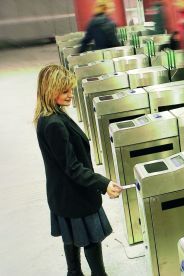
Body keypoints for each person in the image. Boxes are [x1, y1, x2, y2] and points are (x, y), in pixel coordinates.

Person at [33, 65, 122, 276]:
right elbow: (72, 168)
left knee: (70, 236)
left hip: (62, 195)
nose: (70, 95)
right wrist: (104, 184)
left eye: (70, 90)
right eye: (64, 91)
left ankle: (74, 273)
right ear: (49, 90)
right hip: (75, 195)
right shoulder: (54, 124)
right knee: (91, 238)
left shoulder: (47, 116)